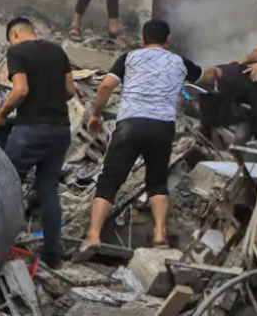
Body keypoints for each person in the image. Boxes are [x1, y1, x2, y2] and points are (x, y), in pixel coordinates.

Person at [76, 20, 215, 260]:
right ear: (167, 41)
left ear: (142, 40)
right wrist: (224, 70)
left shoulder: (129, 58)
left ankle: (93, 236)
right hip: (162, 127)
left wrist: (96, 114)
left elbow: (107, 85)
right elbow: (206, 75)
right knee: (157, 181)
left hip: (131, 124)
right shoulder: (179, 61)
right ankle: (160, 236)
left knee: (109, 181)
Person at [0, 17, 75, 268]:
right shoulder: (57, 51)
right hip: (60, 130)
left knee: (7, 182)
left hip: (31, 131)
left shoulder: (17, 51)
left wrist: (2, 113)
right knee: (48, 188)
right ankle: (53, 255)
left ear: (14, 35)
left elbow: (21, 90)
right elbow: (70, 91)